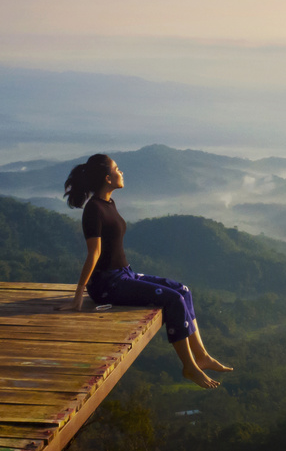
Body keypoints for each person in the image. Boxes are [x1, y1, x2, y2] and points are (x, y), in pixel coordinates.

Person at [58, 153, 232, 389]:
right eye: (118, 169)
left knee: (183, 290)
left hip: (124, 274)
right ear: (108, 178)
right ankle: (189, 366)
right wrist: (79, 295)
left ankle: (201, 355)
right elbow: (94, 254)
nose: (122, 172)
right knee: (174, 300)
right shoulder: (94, 210)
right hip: (106, 285)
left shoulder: (108, 203)